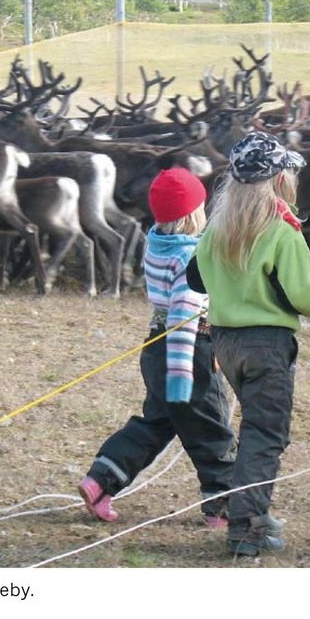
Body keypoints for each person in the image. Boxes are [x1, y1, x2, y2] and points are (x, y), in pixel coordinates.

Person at [188, 132, 310, 558]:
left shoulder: (216, 228)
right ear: (279, 177)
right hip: (267, 344)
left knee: (251, 431)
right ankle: (247, 528)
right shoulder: (284, 232)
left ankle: (249, 512)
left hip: (225, 344)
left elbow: (197, 279)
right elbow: (306, 299)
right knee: (265, 434)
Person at [78, 168, 236, 527]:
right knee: (210, 426)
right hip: (188, 351)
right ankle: (223, 507)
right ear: (196, 214)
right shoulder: (190, 258)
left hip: (155, 346)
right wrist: (183, 376)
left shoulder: (158, 243)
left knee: (156, 423)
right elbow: (184, 313)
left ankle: (100, 481)